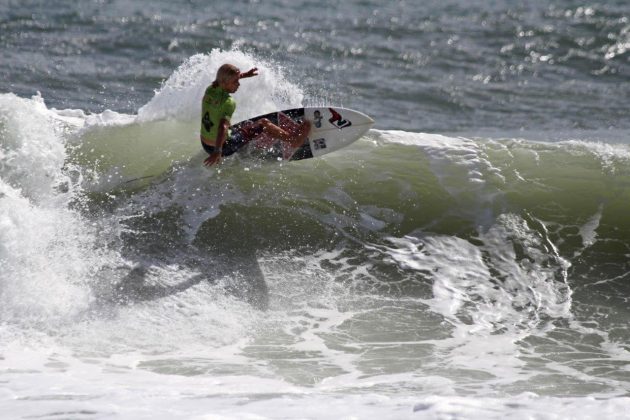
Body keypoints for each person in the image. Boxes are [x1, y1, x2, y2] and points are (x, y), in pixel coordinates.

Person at [200, 64, 311, 166]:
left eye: (238, 80)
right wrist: (217, 151)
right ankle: (292, 140)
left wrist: (245, 75)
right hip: (223, 147)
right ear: (225, 82)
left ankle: (245, 141)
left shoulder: (210, 89)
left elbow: (221, 81)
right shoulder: (228, 102)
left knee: (244, 126)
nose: (238, 84)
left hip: (205, 145)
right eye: (235, 81)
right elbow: (222, 127)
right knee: (263, 123)